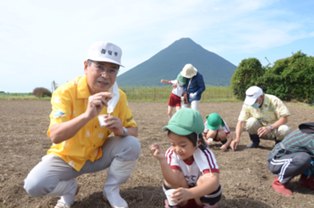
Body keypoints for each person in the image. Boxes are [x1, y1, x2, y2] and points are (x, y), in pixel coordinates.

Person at [23, 41, 141, 208]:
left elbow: (134, 130)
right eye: (99, 67)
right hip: (67, 157)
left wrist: (120, 129)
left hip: (98, 154)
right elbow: (55, 136)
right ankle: (69, 188)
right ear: (86, 66)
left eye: (112, 70)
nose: (105, 75)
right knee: (34, 185)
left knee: (131, 143)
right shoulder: (66, 92)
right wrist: (87, 115)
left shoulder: (118, 96)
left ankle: (111, 190)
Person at [150, 108, 221, 208]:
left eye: (183, 145)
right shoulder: (171, 152)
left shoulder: (204, 153)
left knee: (206, 181)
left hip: (199, 196)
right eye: (173, 144)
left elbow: (214, 182)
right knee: (170, 180)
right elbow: (172, 180)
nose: (177, 149)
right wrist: (162, 161)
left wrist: (190, 193)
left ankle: (209, 205)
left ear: (198, 142)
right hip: (182, 197)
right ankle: (176, 205)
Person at [267, 122, 314, 196]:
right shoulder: (312, 138)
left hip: (291, 156)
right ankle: (278, 182)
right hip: (277, 159)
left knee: (309, 158)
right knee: (303, 158)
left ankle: (306, 180)